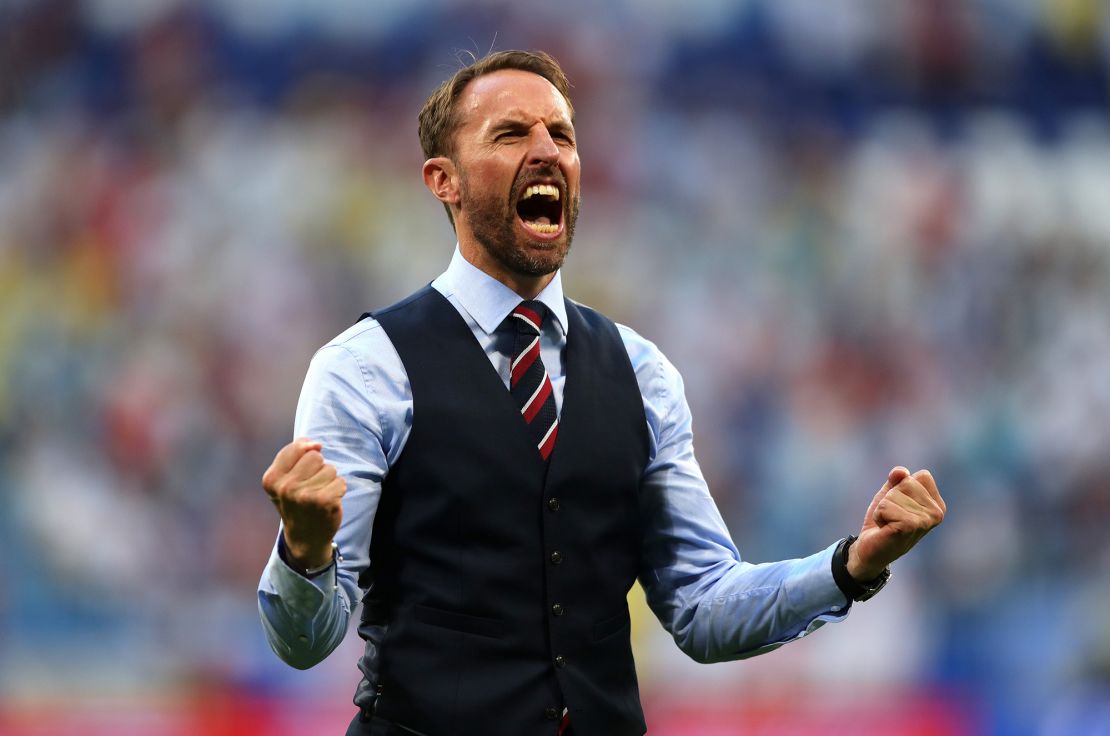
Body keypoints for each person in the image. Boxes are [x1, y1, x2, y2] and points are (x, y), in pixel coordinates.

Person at [257, 50, 946, 736]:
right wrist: (306, 550)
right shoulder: (365, 370)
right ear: (445, 180)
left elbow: (703, 606)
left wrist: (851, 566)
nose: (546, 151)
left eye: (561, 134)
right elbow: (305, 641)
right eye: (510, 134)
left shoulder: (642, 375)